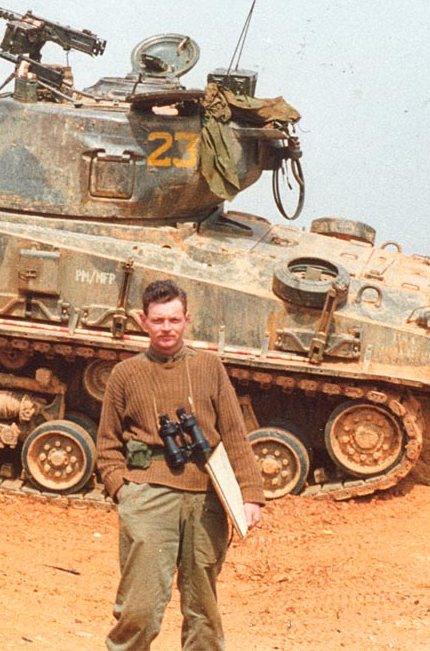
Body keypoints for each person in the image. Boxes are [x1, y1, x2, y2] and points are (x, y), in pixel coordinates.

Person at [95, 279, 265, 651]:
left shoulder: (209, 367)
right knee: (140, 607)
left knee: (203, 608)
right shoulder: (125, 374)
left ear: (187, 320)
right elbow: (107, 444)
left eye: (174, 319)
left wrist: (250, 494)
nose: (166, 328)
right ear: (144, 321)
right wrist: (123, 490)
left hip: (206, 497)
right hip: (148, 497)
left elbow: (234, 433)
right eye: (158, 320)